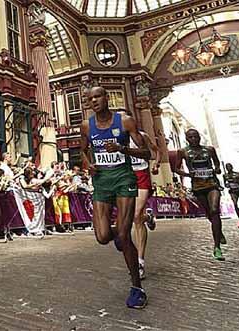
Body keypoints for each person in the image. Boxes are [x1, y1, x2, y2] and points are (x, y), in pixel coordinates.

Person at [80, 86, 150, 309]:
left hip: (123, 178)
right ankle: (119, 236)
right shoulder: (86, 125)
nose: (94, 101)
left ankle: (137, 288)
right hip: (101, 180)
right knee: (102, 236)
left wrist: (122, 148)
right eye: (90, 99)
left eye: (98, 96)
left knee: (124, 233)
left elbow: (146, 152)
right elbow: (83, 150)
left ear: (106, 98)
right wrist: (88, 164)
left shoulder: (125, 121)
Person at [175, 128, 226, 261]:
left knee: (214, 210)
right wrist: (187, 174)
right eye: (190, 137)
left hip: (212, 184)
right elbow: (175, 168)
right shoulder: (183, 151)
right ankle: (219, 231)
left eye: (195, 136)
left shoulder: (209, 149)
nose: (194, 139)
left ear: (199, 137)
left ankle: (217, 247)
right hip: (197, 186)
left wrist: (217, 168)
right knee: (209, 213)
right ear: (186, 139)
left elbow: (216, 161)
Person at [126, 111, 161, 280]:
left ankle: (140, 261)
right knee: (137, 219)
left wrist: (156, 164)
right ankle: (148, 216)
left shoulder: (142, 136)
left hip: (141, 176)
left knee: (135, 216)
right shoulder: (116, 138)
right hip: (125, 178)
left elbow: (156, 150)